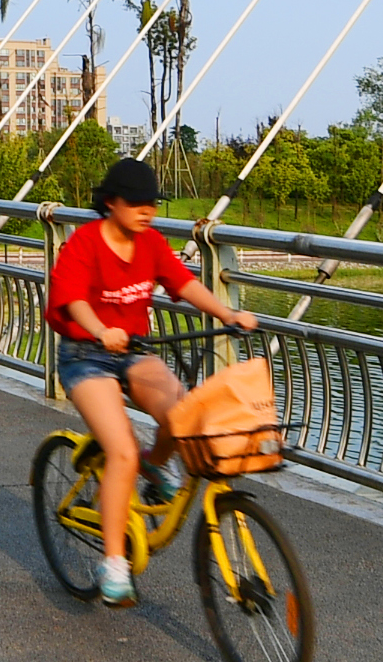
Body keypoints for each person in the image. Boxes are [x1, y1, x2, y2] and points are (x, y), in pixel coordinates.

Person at [46, 156, 258, 607]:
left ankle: (155, 464)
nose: (147, 211)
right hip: (86, 356)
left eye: (153, 204)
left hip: (134, 352)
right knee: (121, 450)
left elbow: (184, 284)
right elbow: (73, 300)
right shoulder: (85, 242)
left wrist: (228, 314)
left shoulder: (151, 243)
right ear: (111, 202)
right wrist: (100, 329)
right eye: (137, 203)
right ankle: (114, 565)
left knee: (185, 414)